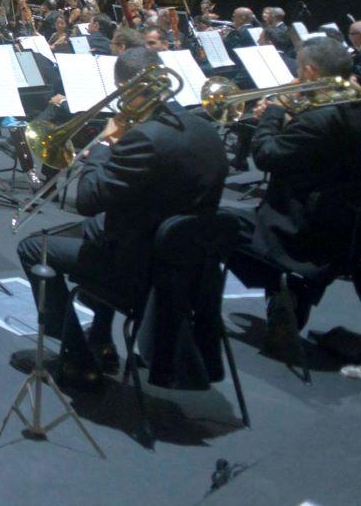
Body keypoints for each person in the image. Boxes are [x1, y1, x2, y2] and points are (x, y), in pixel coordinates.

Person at [15, 48, 228, 383]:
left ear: (127, 88)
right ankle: (100, 339)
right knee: (89, 229)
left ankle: (77, 357)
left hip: (140, 265)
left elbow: (87, 199)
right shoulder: (203, 128)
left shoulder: (143, 137)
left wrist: (104, 146)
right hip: (191, 260)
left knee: (32, 247)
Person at [222, 38, 361, 360]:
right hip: (348, 224)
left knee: (213, 222)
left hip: (298, 230)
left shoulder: (317, 119)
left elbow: (266, 156)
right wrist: (289, 121)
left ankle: (284, 297)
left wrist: (272, 115)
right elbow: (321, 152)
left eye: (298, 69)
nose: (295, 76)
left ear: (310, 71)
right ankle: (292, 296)